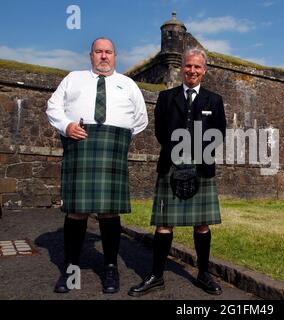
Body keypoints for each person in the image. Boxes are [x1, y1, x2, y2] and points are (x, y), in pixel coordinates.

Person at [46, 37, 148, 294]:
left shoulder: (128, 84)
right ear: (91, 55)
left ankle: (111, 268)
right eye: (99, 52)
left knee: (110, 211)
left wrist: (121, 138)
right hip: (80, 146)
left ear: (115, 56)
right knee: (76, 211)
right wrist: (67, 126)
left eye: (108, 52)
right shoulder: (73, 78)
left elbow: (141, 118)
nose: (104, 56)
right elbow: (53, 107)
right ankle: (70, 269)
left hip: (112, 148)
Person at [128, 48, 226, 297]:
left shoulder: (213, 100)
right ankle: (156, 276)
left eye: (197, 67)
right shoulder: (166, 97)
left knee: (201, 224)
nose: (192, 70)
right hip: (171, 163)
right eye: (188, 66)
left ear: (204, 70)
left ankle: (203, 274)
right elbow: (161, 132)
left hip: (202, 165)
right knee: (164, 224)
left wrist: (196, 156)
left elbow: (219, 134)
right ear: (182, 67)